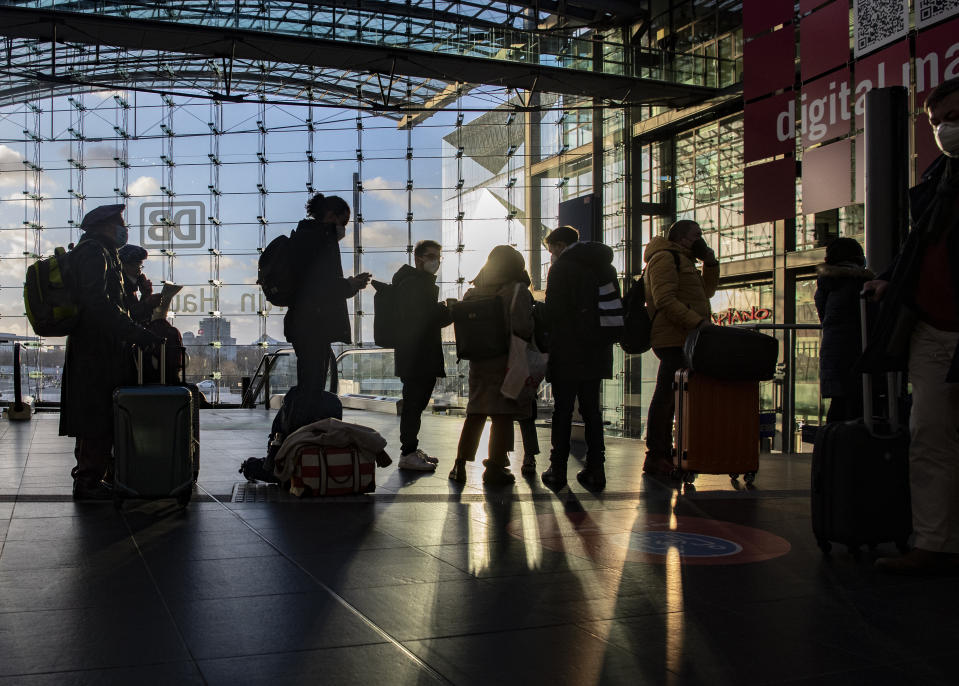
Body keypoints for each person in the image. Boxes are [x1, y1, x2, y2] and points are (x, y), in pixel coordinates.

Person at [865, 77, 959, 575]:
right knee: (929, 435)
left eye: (954, 117)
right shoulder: (937, 178)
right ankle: (934, 540)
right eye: (939, 122)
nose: (947, 129)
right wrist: (886, 280)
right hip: (930, 326)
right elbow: (916, 247)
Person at [59, 204, 162, 500]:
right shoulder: (93, 253)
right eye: (120, 223)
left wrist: (142, 306)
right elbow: (98, 305)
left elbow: (117, 304)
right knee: (96, 415)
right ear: (104, 226)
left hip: (102, 348)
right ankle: (88, 482)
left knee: (101, 413)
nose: (124, 229)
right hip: (96, 351)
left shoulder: (105, 254)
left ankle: (93, 477)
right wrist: (134, 333)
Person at [539, 225, 617, 491]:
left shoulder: (562, 268)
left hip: (568, 350)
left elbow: (554, 312)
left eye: (551, 250)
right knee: (592, 411)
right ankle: (596, 468)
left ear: (560, 246)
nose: (551, 255)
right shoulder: (604, 267)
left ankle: (557, 468)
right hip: (597, 350)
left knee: (562, 410)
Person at [448, 245, 534, 486]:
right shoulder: (516, 291)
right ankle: (495, 466)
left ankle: (460, 465)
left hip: (478, 361)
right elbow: (523, 328)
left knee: (475, 413)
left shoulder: (472, 293)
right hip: (506, 361)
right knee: (502, 414)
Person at [642, 219, 719, 477]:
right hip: (673, 337)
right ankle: (656, 453)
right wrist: (697, 323)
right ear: (684, 237)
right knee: (666, 396)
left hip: (686, 336)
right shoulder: (665, 258)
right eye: (697, 234)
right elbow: (664, 299)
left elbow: (706, 292)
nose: (701, 238)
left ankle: (665, 451)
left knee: (673, 397)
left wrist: (710, 263)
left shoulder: (684, 260)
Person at [284, 193, 370, 395]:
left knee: (311, 383)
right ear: (331, 215)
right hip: (313, 324)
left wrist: (350, 284)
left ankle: (303, 423)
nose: (344, 228)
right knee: (312, 387)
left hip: (306, 324)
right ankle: (304, 424)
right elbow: (320, 287)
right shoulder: (319, 240)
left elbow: (314, 283)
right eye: (344, 221)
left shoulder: (307, 236)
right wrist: (350, 285)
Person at [391, 239, 453, 471]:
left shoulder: (415, 283)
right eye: (431, 256)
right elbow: (424, 319)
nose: (436, 261)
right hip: (417, 355)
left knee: (415, 405)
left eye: (438, 256)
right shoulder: (414, 285)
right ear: (419, 259)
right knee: (413, 405)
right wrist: (446, 311)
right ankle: (407, 453)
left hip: (416, 354)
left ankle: (411, 449)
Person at [814, 237, 874, 423]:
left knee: (839, 407)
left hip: (833, 353)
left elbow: (826, 318)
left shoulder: (827, 285)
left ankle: (832, 448)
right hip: (857, 353)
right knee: (858, 408)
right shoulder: (859, 283)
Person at [118, 244, 162, 325]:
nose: (139, 270)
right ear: (123, 265)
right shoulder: (120, 286)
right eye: (135, 265)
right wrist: (147, 303)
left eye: (140, 265)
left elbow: (139, 319)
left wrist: (146, 294)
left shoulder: (130, 287)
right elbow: (129, 317)